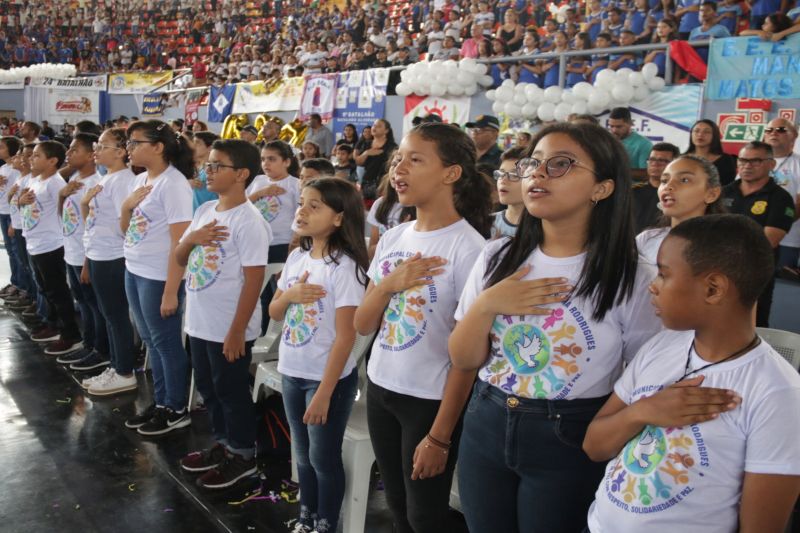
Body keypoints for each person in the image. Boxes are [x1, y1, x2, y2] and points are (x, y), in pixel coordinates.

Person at [448, 122, 662, 533]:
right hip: (486, 420)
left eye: (561, 164)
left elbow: (640, 380)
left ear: (602, 187)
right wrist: (488, 305)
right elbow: (462, 357)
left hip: (570, 435)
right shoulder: (497, 256)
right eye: (534, 163)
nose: (538, 174)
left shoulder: (634, 278)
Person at [584, 214, 800, 533]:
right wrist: (643, 412)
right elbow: (594, 446)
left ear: (713, 289)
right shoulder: (662, 347)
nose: (652, 287)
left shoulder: (778, 393)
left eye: (663, 275)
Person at [353, 123, 493, 533]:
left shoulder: (470, 249)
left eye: (415, 160)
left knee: (425, 514)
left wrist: (440, 436)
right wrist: (390, 285)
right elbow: (364, 322)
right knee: (397, 503)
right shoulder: (396, 236)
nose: (399, 169)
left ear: (451, 174)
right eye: (399, 159)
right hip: (380, 385)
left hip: (430, 401)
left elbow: (469, 358)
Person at [269, 178, 368, 533]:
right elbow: (275, 312)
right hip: (292, 371)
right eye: (302, 203)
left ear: (339, 218)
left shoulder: (345, 269)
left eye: (315, 206)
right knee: (302, 456)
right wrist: (290, 295)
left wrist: (325, 393)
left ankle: (326, 523)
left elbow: (346, 338)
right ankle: (306, 517)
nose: (302, 211)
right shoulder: (296, 257)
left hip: (327, 381)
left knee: (322, 459)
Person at [177, 139, 269, 489]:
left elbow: (253, 281)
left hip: (228, 326)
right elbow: (180, 259)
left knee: (230, 391)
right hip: (199, 321)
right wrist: (192, 239)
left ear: (242, 174)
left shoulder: (249, 221)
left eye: (217, 166)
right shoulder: (205, 212)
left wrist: (237, 331)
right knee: (208, 389)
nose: (207, 171)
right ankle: (224, 443)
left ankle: (243, 454)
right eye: (208, 165)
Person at [120, 120, 194, 435]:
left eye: (135, 142)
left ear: (158, 147)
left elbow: (180, 243)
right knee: (151, 341)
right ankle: (162, 401)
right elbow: (128, 231)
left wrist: (170, 290)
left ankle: (176, 407)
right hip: (134, 268)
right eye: (128, 142)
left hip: (158, 277)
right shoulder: (141, 180)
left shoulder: (173, 184)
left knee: (165, 343)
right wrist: (125, 208)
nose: (129, 148)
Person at [78, 128, 139, 389]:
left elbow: (123, 225)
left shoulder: (123, 180)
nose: (97, 150)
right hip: (99, 252)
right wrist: (84, 205)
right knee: (109, 313)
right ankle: (116, 366)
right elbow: (92, 223)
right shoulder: (106, 178)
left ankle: (124, 371)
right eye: (97, 145)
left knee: (115, 315)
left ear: (121, 151)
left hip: (114, 255)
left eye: (103, 146)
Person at [19, 141, 84, 355]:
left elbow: (62, 212)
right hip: (35, 243)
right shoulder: (37, 179)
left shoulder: (55, 183)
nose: (31, 158)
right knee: (45, 289)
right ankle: (54, 324)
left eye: (36, 155)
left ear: (52, 161)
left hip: (51, 245)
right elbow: (27, 204)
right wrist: (21, 200)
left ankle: (70, 334)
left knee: (58, 291)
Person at [56, 134, 113, 378]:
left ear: (91, 155)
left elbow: (94, 227)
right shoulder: (74, 179)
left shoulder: (95, 184)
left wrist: (88, 263)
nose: (68, 154)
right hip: (72, 251)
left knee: (94, 305)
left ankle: (100, 350)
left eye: (74, 150)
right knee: (84, 303)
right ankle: (88, 344)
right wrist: (61, 195)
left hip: (86, 255)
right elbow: (62, 216)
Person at [722, 142, 795, 327]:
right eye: (743, 160)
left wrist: (722, 246)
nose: (747, 165)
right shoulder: (723, 192)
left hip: (755, 273)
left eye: (755, 161)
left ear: (771, 164)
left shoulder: (781, 197)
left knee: (752, 324)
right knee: (715, 321)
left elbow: (768, 240)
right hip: (718, 270)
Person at [247, 140, 301, 332]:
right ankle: (260, 332)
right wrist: (262, 193)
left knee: (278, 290)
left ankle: (278, 333)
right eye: (263, 159)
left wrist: (293, 246)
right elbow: (242, 205)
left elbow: (300, 217)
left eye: (272, 159)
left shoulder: (295, 185)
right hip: (258, 244)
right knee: (259, 292)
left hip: (282, 244)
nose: (266, 164)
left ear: (286, 161)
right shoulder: (258, 182)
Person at [636, 154, 725, 264]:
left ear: (712, 194)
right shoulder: (646, 240)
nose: (669, 186)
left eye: (684, 180)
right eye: (664, 180)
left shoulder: (724, 247)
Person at [761, 118, 800, 270]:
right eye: (769, 130)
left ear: (794, 135)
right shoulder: (752, 162)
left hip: (786, 240)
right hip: (750, 237)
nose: (774, 133)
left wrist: (776, 226)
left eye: (781, 130)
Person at [633, 142, 680, 233]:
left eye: (662, 161)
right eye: (652, 159)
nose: (655, 164)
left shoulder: (679, 195)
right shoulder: (633, 192)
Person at [0, 137, 23, 299]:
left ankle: (21, 285)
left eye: (1, 147)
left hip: (11, 214)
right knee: (10, 250)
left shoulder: (16, 171)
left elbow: (17, 195)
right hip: (3, 211)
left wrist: (14, 221)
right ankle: (15, 281)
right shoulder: (4, 168)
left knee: (16, 251)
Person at [354, 119, 397, 206]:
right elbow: (358, 162)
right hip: (367, 182)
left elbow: (394, 165)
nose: (374, 127)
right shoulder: (366, 144)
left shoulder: (392, 146)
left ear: (386, 130)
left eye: (379, 126)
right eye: (373, 125)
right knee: (366, 208)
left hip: (383, 182)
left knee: (380, 207)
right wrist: (366, 153)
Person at [684, 119, 737, 186]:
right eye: (696, 131)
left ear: (715, 136)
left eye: (706, 132)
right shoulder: (681, 159)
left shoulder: (726, 160)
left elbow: (727, 186)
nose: (700, 134)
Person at [607, 107, 653, 181]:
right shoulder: (606, 141)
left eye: (619, 126)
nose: (614, 130)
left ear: (630, 123)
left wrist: (617, 170)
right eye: (611, 126)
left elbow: (646, 174)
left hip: (633, 190)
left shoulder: (644, 144)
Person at [491, 146, 526, 239]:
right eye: (501, 173)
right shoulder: (487, 223)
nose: (503, 180)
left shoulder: (547, 228)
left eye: (514, 175)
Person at [191, 131, 220, 212]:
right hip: (195, 217)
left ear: (209, 148)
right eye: (193, 142)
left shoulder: (215, 169)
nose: (193, 146)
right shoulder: (196, 168)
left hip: (209, 217)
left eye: (198, 143)